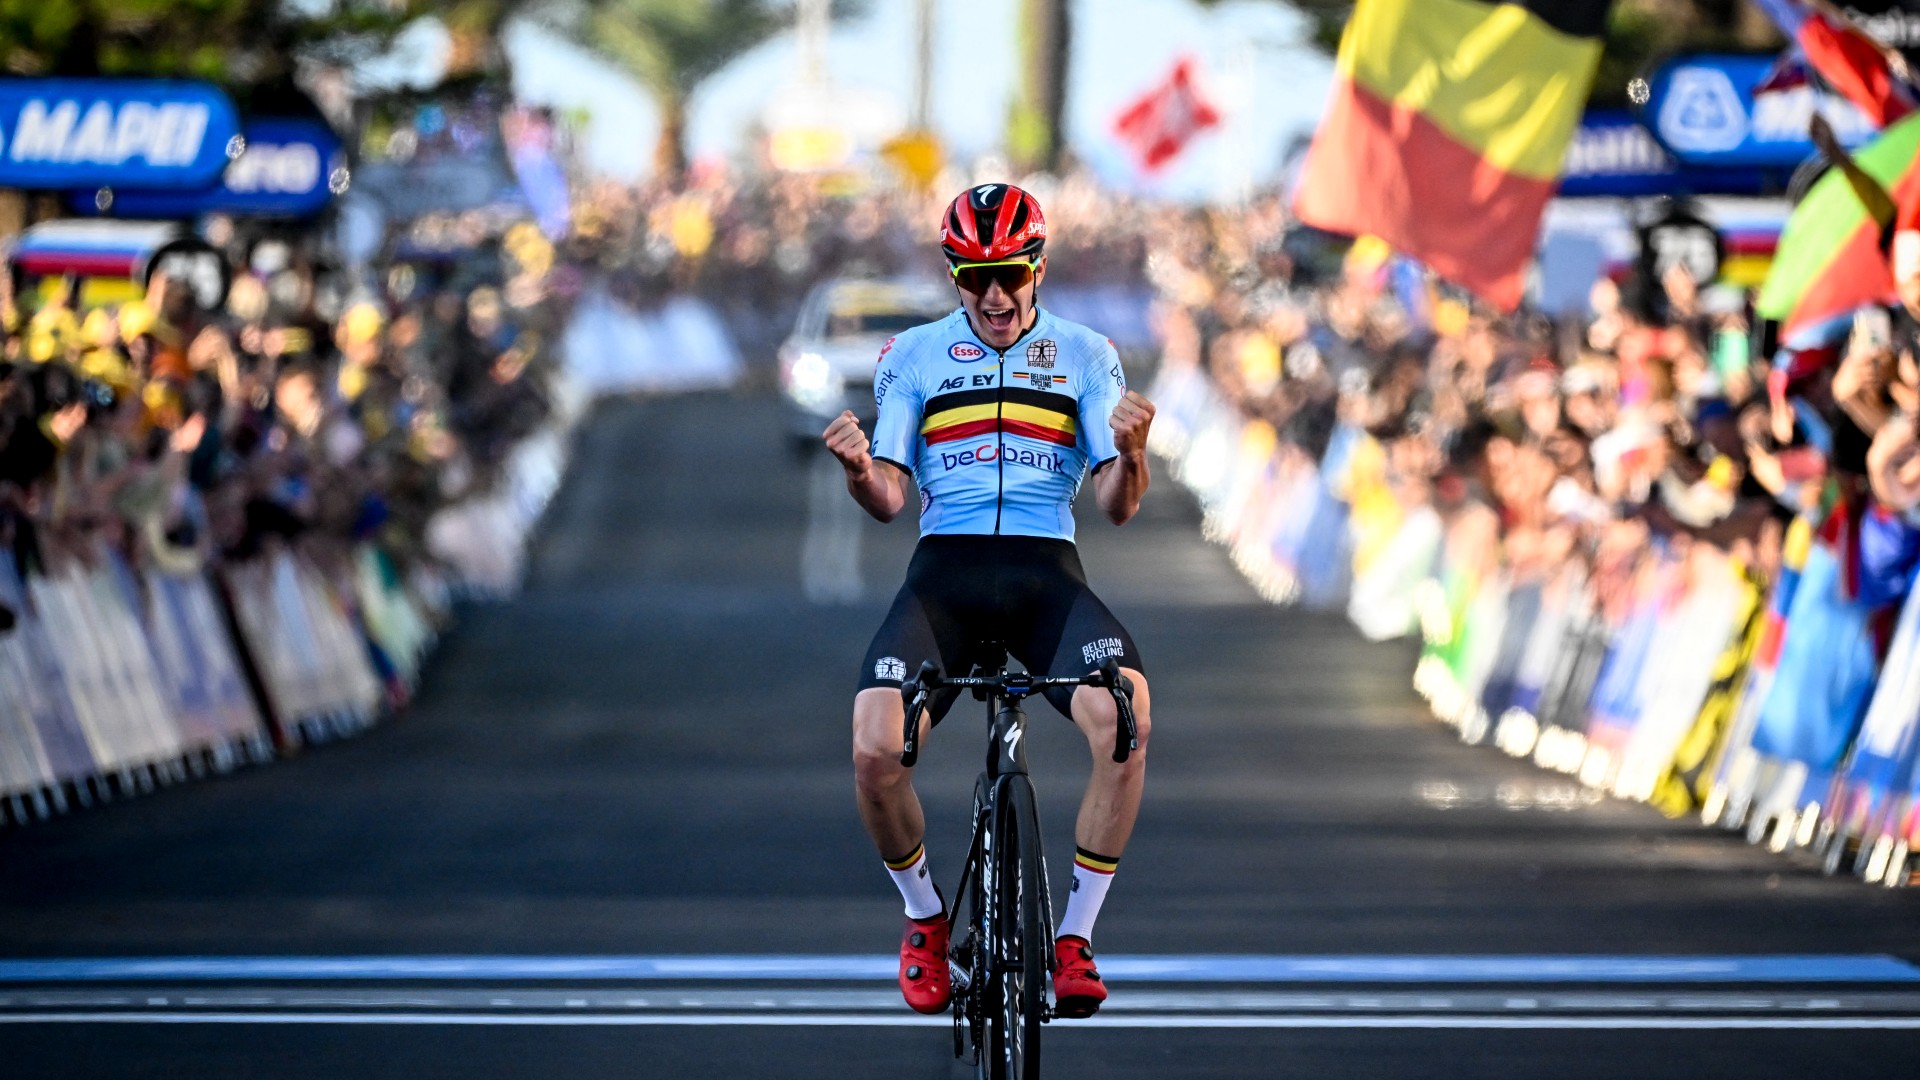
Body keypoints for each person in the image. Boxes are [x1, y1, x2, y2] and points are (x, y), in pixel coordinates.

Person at [823, 183, 1157, 1018]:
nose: (996, 296)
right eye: (974, 278)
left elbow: (1116, 504)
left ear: (1037, 266)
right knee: (873, 747)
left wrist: (1132, 453)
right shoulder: (912, 355)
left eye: (1009, 273)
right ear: (952, 276)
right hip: (947, 579)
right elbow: (893, 499)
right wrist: (861, 471)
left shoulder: (1086, 353)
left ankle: (1075, 938)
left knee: (1128, 716)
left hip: (1048, 574)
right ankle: (926, 920)